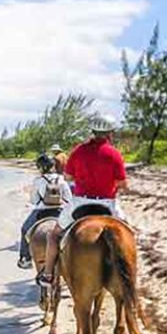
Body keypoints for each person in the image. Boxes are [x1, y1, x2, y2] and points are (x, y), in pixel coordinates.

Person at [37, 115, 128, 287]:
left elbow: (69, 176)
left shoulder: (78, 150)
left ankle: (48, 274)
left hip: (80, 202)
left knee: (54, 235)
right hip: (108, 203)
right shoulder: (114, 153)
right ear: (109, 133)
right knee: (128, 234)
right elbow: (122, 183)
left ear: (92, 131)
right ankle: (129, 272)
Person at [17, 153, 72, 269]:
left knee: (24, 229)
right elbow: (69, 198)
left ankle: (25, 258)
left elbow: (33, 200)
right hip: (59, 211)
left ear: (41, 167)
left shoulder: (38, 180)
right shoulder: (61, 179)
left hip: (41, 212)